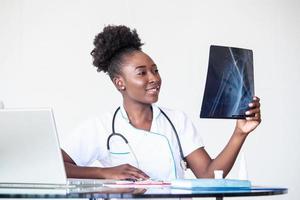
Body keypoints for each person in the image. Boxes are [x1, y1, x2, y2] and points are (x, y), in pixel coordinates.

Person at [61, 25, 261, 181]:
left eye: (155, 70)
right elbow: (55, 166)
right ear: (119, 83)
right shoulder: (101, 127)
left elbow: (209, 175)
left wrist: (240, 133)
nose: (154, 78)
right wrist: (104, 173)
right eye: (142, 73)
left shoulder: (176, 121)